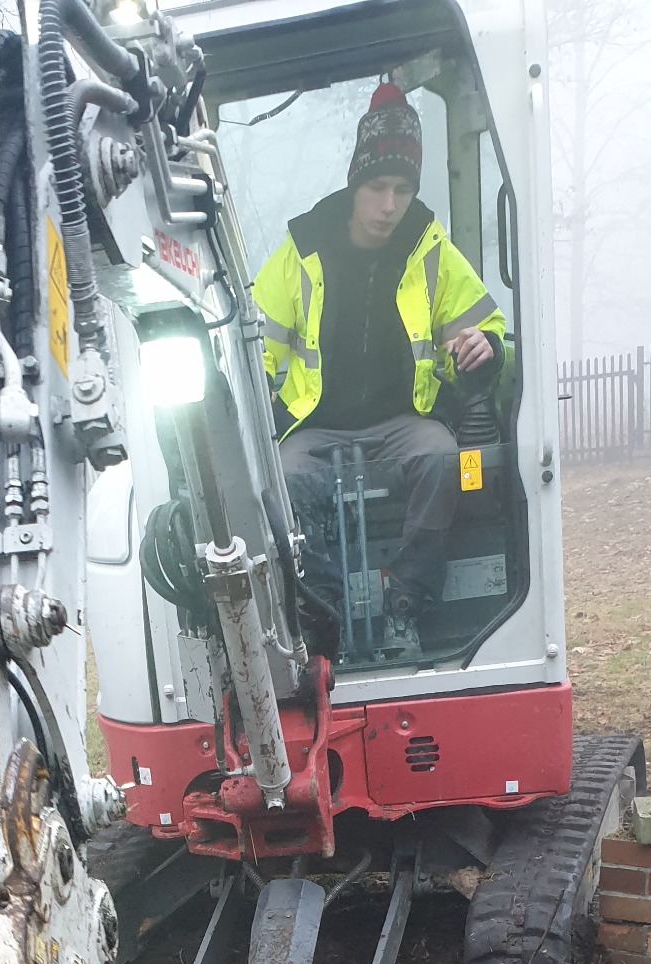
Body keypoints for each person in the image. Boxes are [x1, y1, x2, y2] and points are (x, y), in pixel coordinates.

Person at [252, 81, 505, 651]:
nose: (390, 205)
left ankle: (406, 603)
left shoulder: (429, 245)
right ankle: (323, 614)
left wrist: (485, 348)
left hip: (401, 418)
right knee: (283, 479)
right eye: (378, 186)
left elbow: (482, 325)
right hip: (313, 424)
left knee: (442, 456)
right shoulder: (301, 247)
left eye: (403, 189)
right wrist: (257, 395)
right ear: (355, 183)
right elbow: (255, 346)